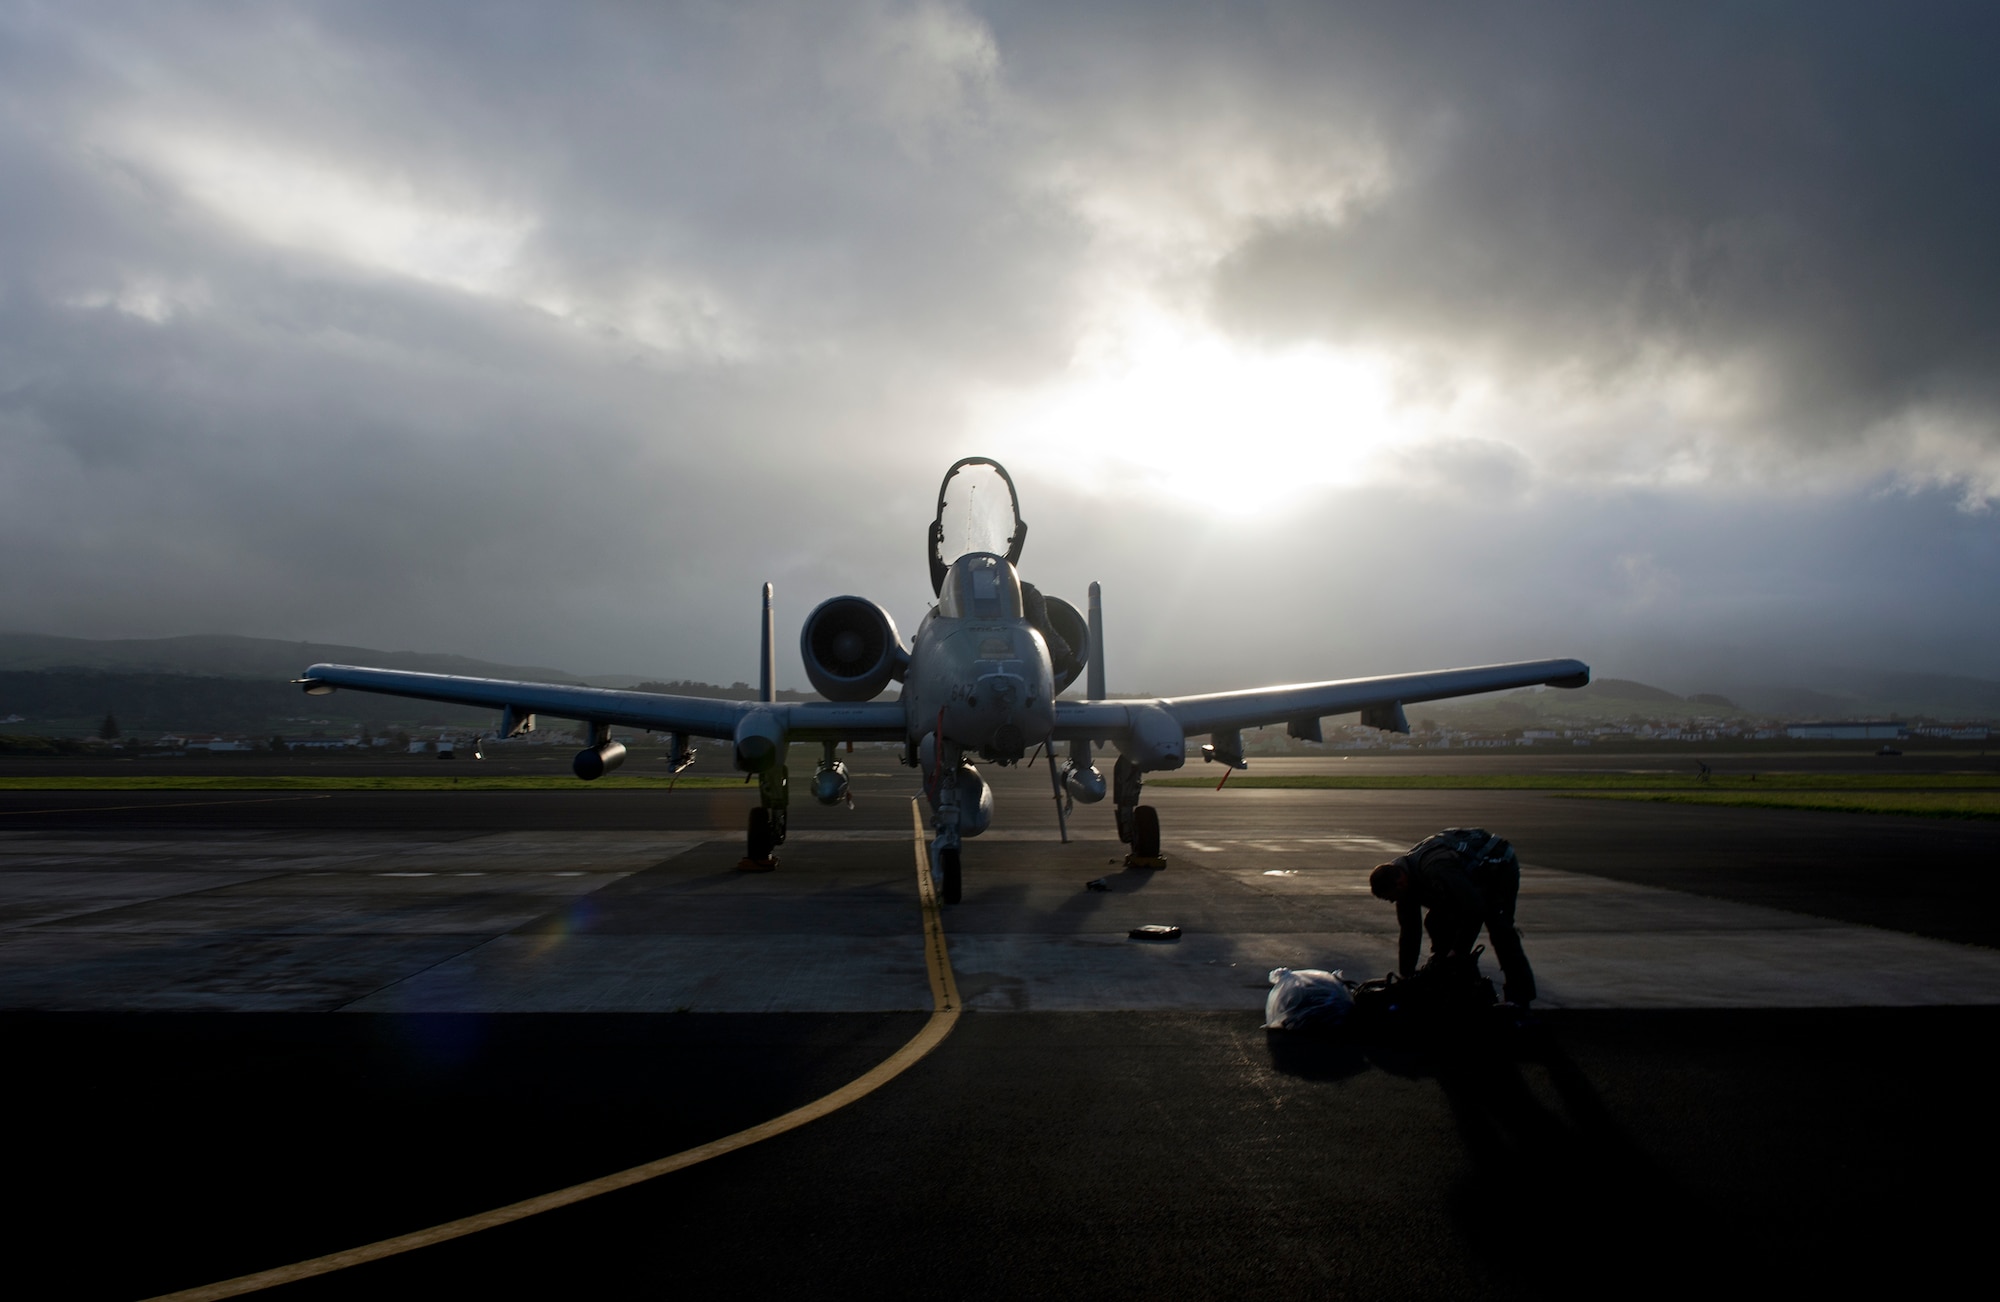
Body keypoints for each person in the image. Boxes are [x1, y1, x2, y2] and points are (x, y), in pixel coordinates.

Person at [1369, 831, 1536, 1008]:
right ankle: (1461, 987)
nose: (1394, 901)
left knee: (1500, 930)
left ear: (1400, 883)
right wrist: (1406, 976)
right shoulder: (1403, 882)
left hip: (1497, 867)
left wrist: (1458, 949)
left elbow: (1474, 908)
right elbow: (1410, 932)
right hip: (1467, 881)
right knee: (1436, 922)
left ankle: (1520, 998)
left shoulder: (1437, 867)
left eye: (1392, 897)